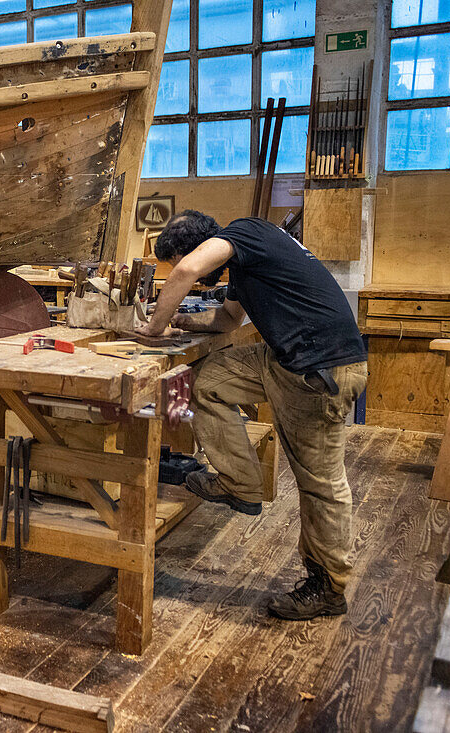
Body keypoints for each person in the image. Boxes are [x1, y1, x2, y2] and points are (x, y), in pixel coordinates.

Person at [136, 211, 367, 621]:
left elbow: (188, 270)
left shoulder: (244, 231)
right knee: (206, 382)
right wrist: (179, 322)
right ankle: (241, 483)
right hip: (285, 360)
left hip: (319, 368)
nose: (185, 271)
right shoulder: (246, 259)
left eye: (176, 261)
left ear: (197, 247)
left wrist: (154, 326)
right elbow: (227, 319)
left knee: (320, 483)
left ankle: (327, 587)